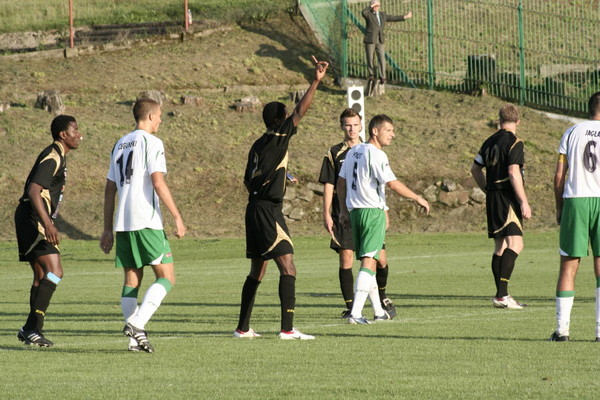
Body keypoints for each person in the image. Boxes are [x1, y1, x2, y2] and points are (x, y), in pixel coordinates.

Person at [234, 56, 329, 340]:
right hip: (268, 211)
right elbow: (301, 110)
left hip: (253, 209)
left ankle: (242, 328)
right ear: (280, 119)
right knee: (288, 266)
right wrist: (316, 81)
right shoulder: (279, 135)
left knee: (257, 270)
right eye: (286, 115)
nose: (290, 118)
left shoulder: (259, 143)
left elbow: (248, 178)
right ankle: (287, 329)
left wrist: (282, 176)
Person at [100, 98, 186, 353]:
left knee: (132, 279)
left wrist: (107, 229)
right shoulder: (152, 142)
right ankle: (137, 324)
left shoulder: (119, 144)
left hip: (123, 223)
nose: (160, 120)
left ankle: (133, 341)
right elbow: (157, 181)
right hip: (146, 220)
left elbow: (109, 190)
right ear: (149, 116)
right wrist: (177, 216)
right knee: (167, 277)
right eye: (159, 115)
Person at [338, 114, 429, 324]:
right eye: (388, 130)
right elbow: (392, 184)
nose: (392, 135)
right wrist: (417, 197)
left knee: (370, 261)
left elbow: (341, 182)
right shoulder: (377, 154)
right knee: (369, 261)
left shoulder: (352, 151)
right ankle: (356, 313)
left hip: (355, 212)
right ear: (375, 131)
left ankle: (378, 311)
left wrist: (343, 210)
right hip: (372, 212)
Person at [318, 108, 396, 319]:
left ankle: (380, 303)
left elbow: (378, 185)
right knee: (349, 258)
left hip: (370, 211)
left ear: (362, 126)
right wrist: (327, 213)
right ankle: (352, 307)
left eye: (355, 125)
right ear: (342, 127)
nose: (351, 129)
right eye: (347, 125)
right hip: (347, 212)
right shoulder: (336, 152)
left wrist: (385, 210)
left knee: (379, 259)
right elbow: (331, 184)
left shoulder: (367, 150)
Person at [15, 115, 83, 347]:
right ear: (63, 134)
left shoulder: (58, 155)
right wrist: (48, 224)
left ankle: (30, 330)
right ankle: (32, 328)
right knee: (55, 271)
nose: (79, 135)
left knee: (42, 276)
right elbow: (34, 190)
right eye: (75, 130)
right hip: (33, 217)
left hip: (29, 216)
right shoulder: (53, 155)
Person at [550, 91, 600, 342]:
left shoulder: (572, 132)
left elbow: (559, 176)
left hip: (576, 200)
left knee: (569, 266)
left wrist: (560, 208)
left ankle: (562, 331)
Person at [471, 104, 531, 310]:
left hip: (493, 197)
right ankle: (501, 295)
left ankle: (502, 295)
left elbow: (475, 169)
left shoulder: (488, 141)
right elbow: (514, 173)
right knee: (516, 244)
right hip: (507, 197)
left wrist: (487, 189)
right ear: (518, 121)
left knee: (500, 246)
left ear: (499, 120)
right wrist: (523, 201)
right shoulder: (515, 142)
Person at [362, 0, 412, 84]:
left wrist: (405, 16)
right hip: (370, 39)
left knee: (381, 57)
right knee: (370, 58)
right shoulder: (368, 14)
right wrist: (371, 5)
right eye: (374, 6)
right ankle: (371, 75)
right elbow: (363, 12)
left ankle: (383, 76)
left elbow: (393, 18)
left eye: (377, 6)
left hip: (380, 39)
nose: (376, 7)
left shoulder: (382, 15)